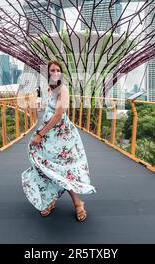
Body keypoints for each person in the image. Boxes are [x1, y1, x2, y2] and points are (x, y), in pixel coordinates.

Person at [21, 60, 97, 222]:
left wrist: (39, 134)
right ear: (48, 73)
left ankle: (78, 203)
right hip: (50, 136)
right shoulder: (49, 89)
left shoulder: (63, 89)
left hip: (62, 137)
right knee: (47, 166)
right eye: (52, 70)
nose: (55, 72)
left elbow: (58, 115)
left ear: (61, 73)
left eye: (58, 70)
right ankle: (50, 199)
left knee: (64, 170)